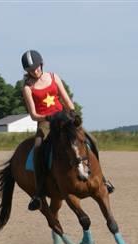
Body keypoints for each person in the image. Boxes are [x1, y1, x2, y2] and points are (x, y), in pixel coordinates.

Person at [20, 50, 113, 211]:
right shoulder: (28, 88)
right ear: (27, 71)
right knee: (37, 148)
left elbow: (67, 101)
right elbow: (34, 115)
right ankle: (39, 192)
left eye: (36, 67)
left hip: (63, 118)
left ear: (41, 64)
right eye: (31, 69)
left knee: (92, 140)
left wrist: (71, 114)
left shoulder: (54, 77)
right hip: (46, 123)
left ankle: (102, 178)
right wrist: (46, 117)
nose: (35, 71)